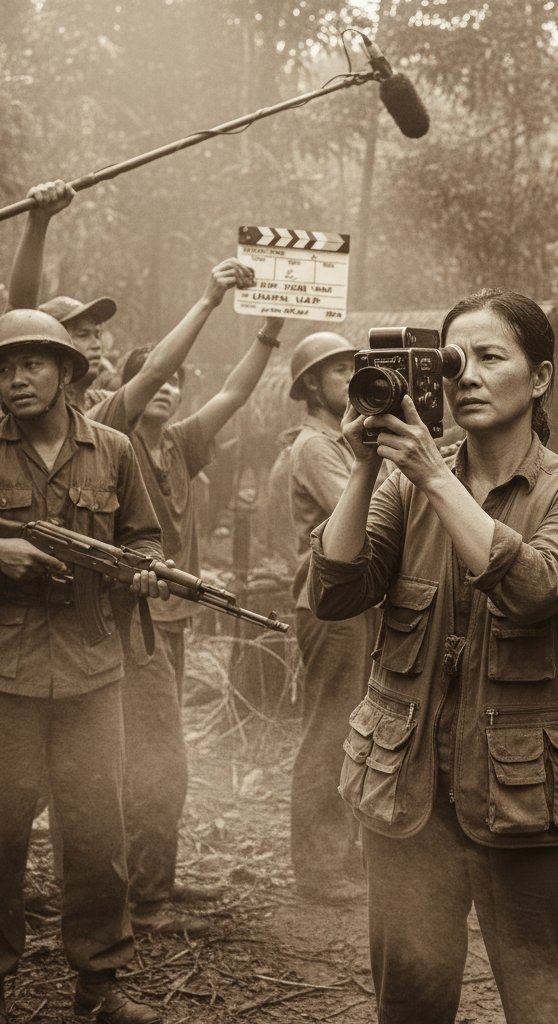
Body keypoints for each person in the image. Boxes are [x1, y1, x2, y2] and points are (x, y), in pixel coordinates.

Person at [307, 289, 558, 1023]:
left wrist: (435, 477)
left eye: (491, 357)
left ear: (539, 378)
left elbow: (534, 586)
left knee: (544, 1005)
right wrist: (363, 466)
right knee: (409, 1000)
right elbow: (337, 589)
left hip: (530, 804)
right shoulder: (406, 486)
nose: (466, 375)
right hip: (411, 799)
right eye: (454, 360)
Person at [0, 309, 167, 1024]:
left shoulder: (116, 451)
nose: (14, 380)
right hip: (4, 676)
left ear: (68, 373)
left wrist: (150, 574)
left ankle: (99, 985)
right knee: (0, 832)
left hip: (93, 673)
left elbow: (144, 538)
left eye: (30, 365)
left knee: (99, 835)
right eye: (4, 370)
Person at [115, 315, 283, 934]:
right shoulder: (114, 440)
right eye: (152, 379)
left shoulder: (179, 444)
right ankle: (143, 900)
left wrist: (270, 329)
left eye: (175, 382)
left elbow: (234, 394)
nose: (165, 387)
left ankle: (153, 878)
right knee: (158, 757)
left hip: (173, 621)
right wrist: (211, 299)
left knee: (157, 755)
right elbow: (154, 367)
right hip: (131, 622)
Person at [9, 180, 255, 433]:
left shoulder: (101, 405)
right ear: (52, 351)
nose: (97, 344)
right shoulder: (24, 404)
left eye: (98, 334)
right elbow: (20, 311)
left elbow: (155, 374)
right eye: (81, 335)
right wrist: (37, 222)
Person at [285, 329, 375, 903]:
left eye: (352, 368)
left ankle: (342, 857)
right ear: (312, 385)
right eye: (338, 370)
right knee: (329, 731)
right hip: (328, 604)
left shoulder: (346, 442)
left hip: (353, 602)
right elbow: (368, 514)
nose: (350, 377)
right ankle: (318, 870)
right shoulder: (317, 446)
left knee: (352, 728)